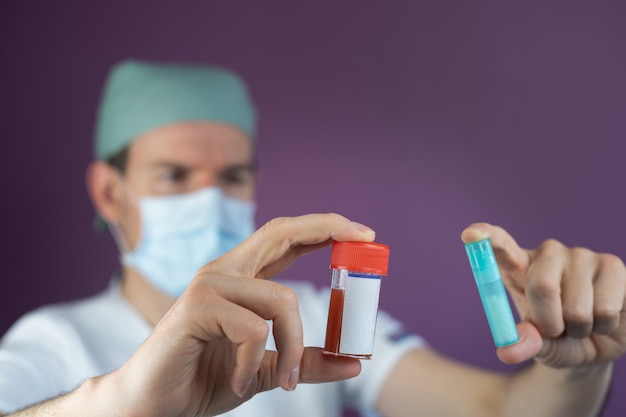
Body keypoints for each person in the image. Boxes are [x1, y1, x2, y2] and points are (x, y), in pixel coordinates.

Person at [1, 59, 625, 417]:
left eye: (234, 177)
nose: (209, 199)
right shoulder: (56, 342)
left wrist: (574, 368)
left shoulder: (323, 315)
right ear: (112, 194)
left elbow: (500, 414)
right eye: (174, 176)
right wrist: (121, 402)